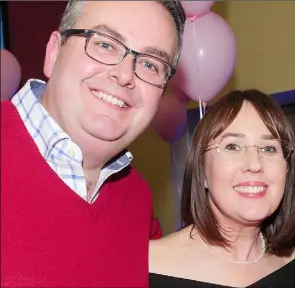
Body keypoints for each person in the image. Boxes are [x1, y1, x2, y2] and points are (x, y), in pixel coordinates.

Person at [1, 1, 185, 287]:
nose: (125, 75)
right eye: (106, 44)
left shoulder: (137, 199)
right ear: (53, 52)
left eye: (150, 64)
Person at [149, 89, 295, 287]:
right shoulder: (147, 266)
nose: (255, 164)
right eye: (232, 147)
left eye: (268, 148)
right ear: (203, 172)